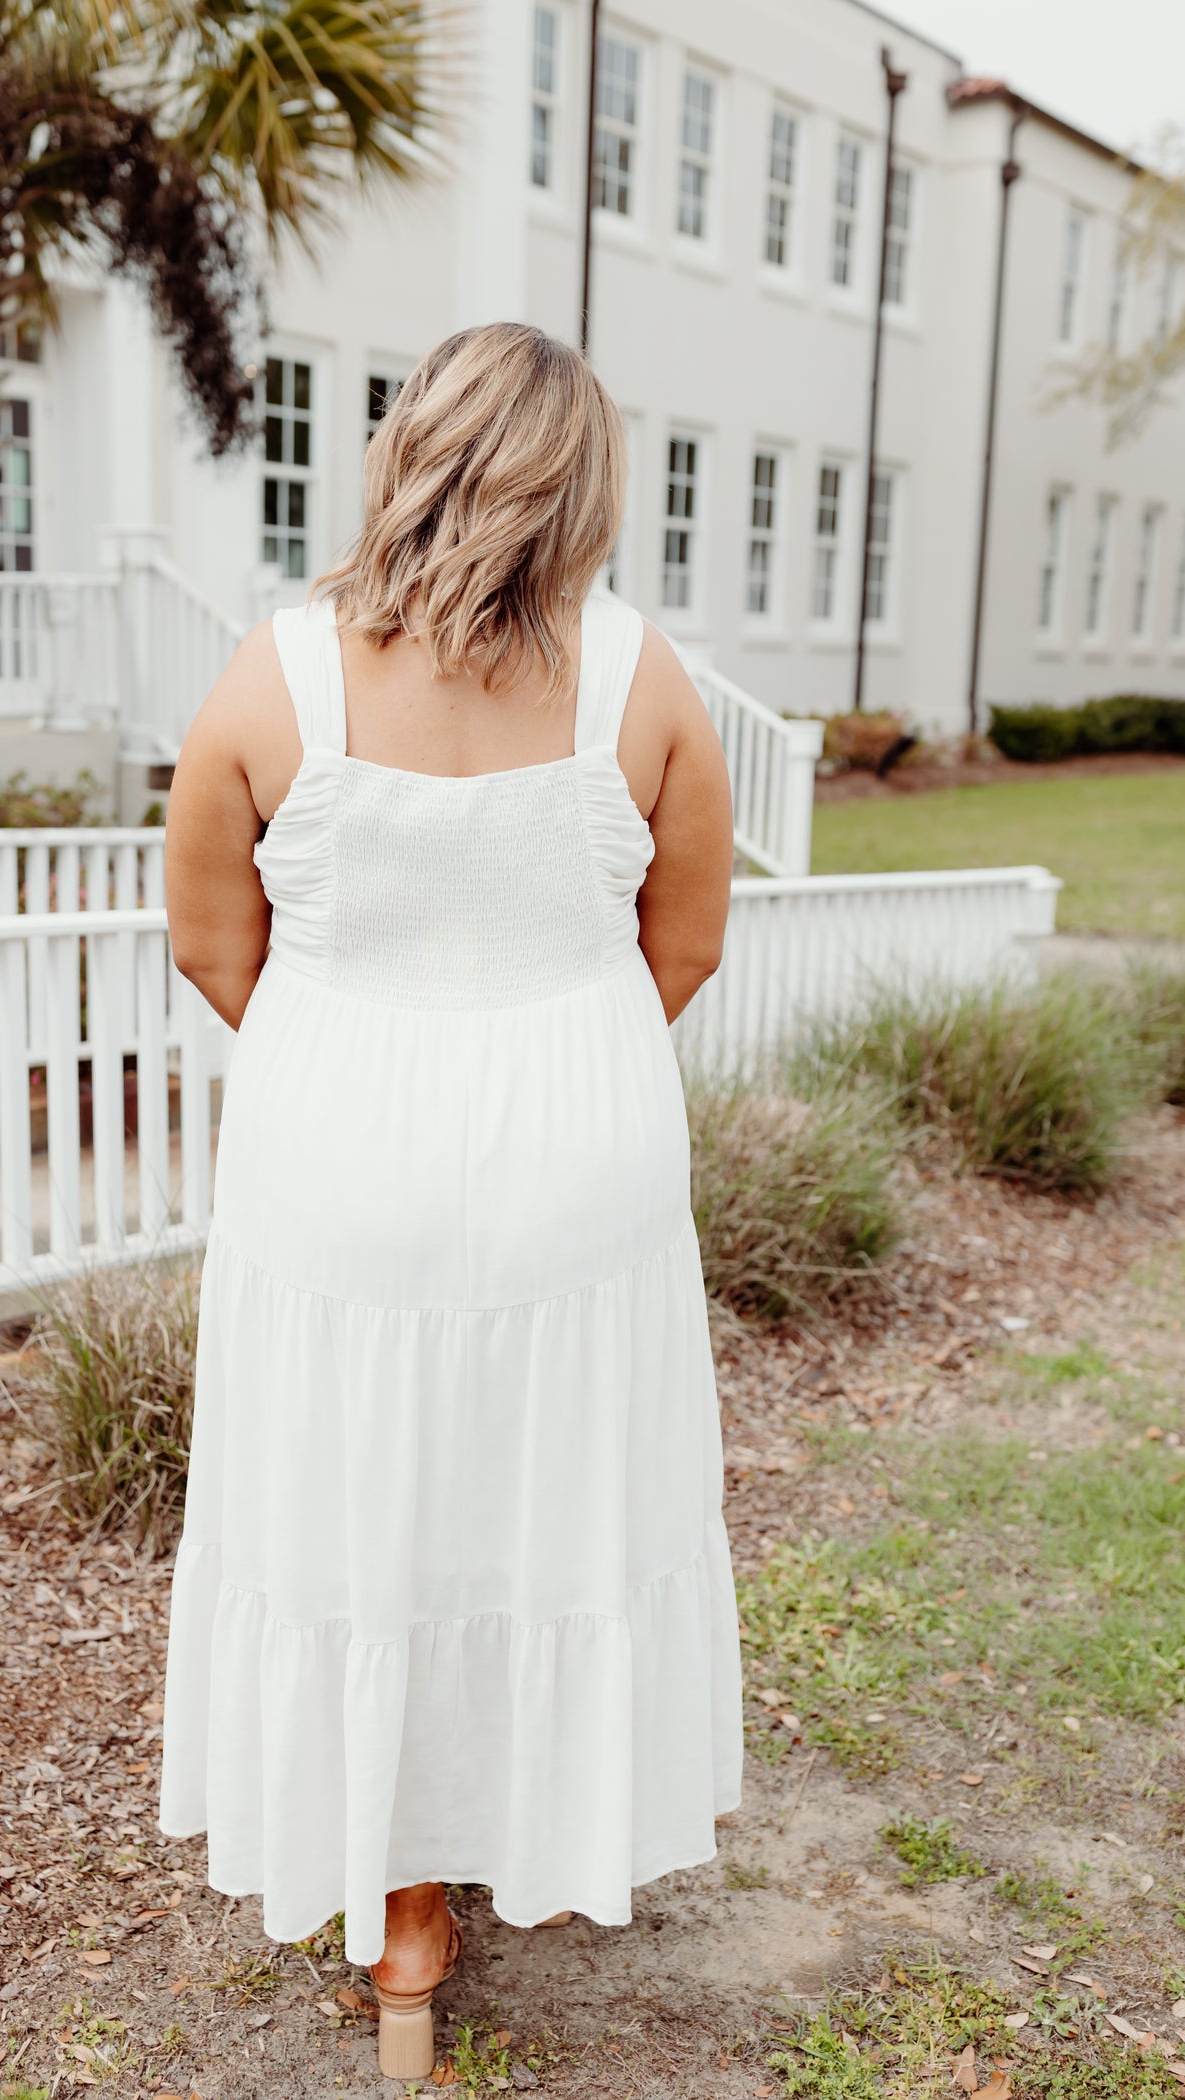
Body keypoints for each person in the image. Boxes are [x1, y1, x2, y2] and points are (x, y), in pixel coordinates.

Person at [158, 321, 743, 2081]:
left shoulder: (270, 675)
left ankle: (403, 1898)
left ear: (408, 450)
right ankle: (538, 1824)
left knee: (360, 1502)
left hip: (337, 1159)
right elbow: (690, 939)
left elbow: (207, 939)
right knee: (548, 1487)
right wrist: (550, 1065)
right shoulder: (647, 680)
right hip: (584, 1150)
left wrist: (366, 1064)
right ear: (582, 488)